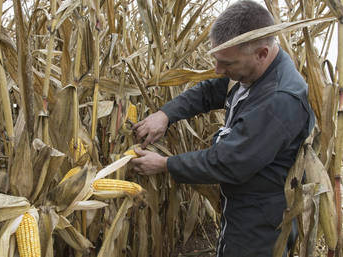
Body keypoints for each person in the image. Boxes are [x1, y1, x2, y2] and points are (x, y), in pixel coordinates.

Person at [131, 0, 315, 256]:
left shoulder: (279, 100)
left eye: (227, 63)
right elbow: (209, 91)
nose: (218, 70)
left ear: (261, 53)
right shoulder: (252, 72)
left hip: (260, 221)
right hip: (241, 207)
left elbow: (229, 162)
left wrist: (165, 164)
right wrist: (165, 114)